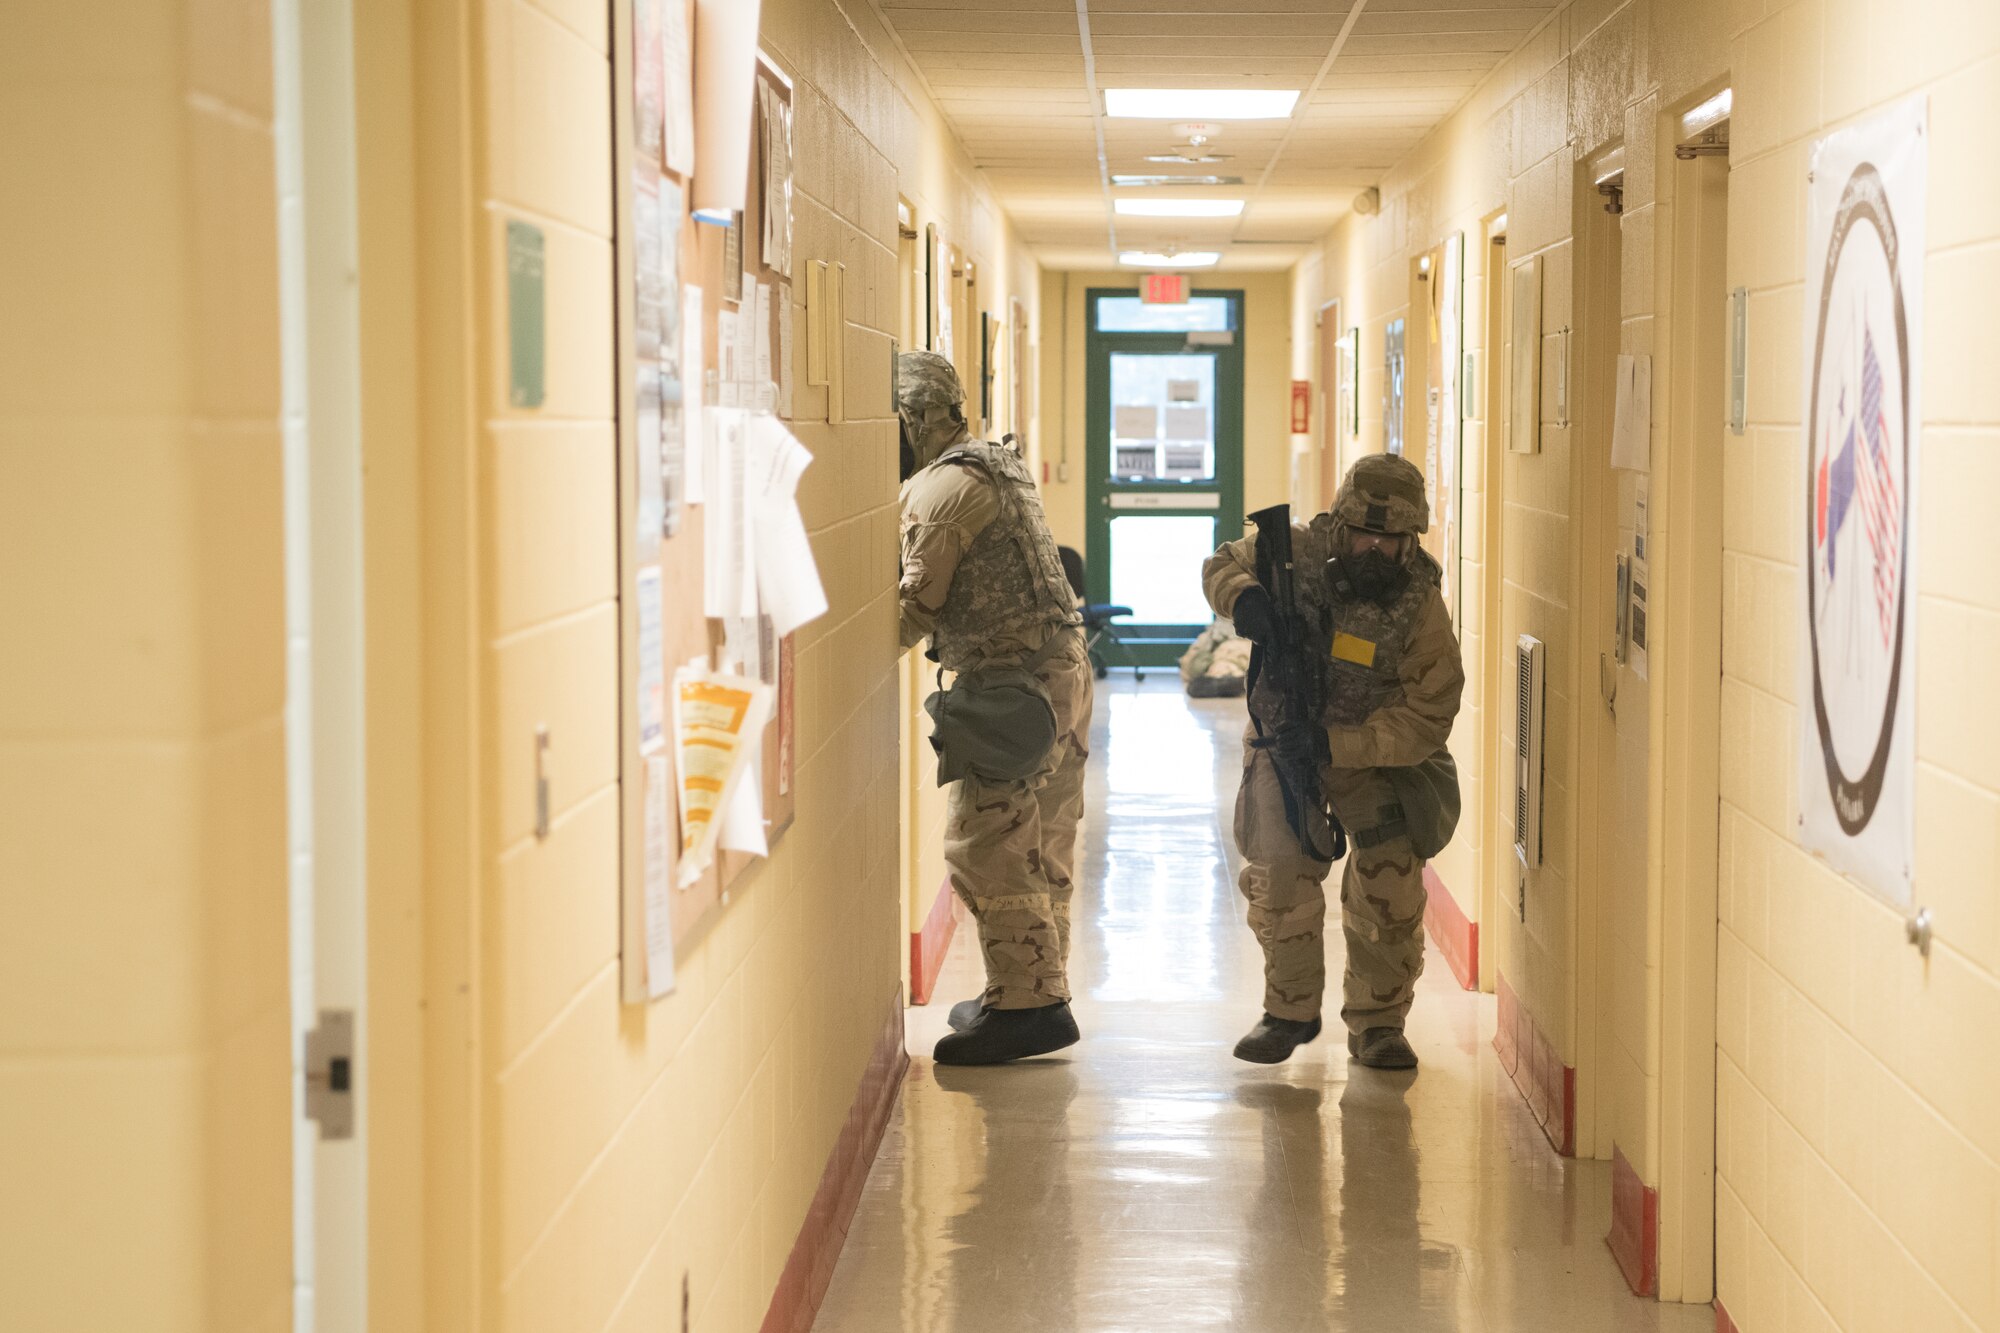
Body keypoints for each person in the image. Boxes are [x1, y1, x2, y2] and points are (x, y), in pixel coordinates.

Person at [1201, 454, 1464, 1069]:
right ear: (1341, 526)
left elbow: (1430, 712)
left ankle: (1378, 1025)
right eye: (1363, 535)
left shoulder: (1420, 606)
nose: (1374, 550)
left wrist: (1338, 747)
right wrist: (1245, 602)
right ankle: (1288, 1011)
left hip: (1374, 755)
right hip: (1283, 742)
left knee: (1388, 892)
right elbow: (1219, 564)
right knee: (1281, 879)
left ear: (1411, 541)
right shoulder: (1293, 553)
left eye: (1390, 541)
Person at [897, 350, 1094, 1066]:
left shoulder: (941, 492)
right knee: (1042, 841)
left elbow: (914, 610)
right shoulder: (995, 463)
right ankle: (1030, 986)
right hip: (1062, 670)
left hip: (1016, 687)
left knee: (987, 843)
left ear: (912, 421)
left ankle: (1031, 1004)